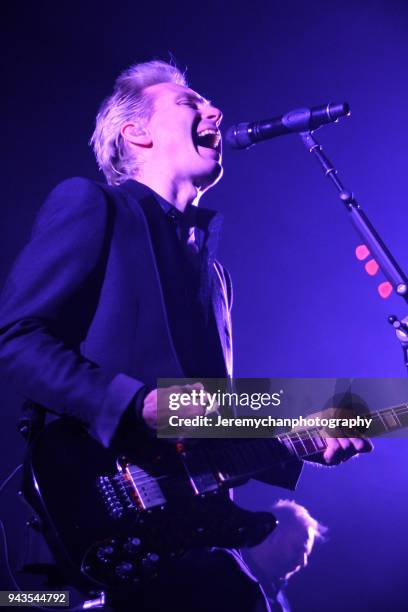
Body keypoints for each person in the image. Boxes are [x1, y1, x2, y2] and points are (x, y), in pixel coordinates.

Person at [0, 60, 372, 611]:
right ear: (137, 132)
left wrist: (302, 438)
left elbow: (207, 424)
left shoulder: (216, 277)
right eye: (189, 103)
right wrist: (133, 403)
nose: (215, 112)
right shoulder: (92, 204)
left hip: (181, 543)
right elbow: (15, 337)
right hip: (88, 523)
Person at [242, 499, 327, 611]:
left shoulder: (279, 598)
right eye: (298, 549)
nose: (303, 562)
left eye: (306, 554)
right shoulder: (227, 575)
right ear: (273, 536)